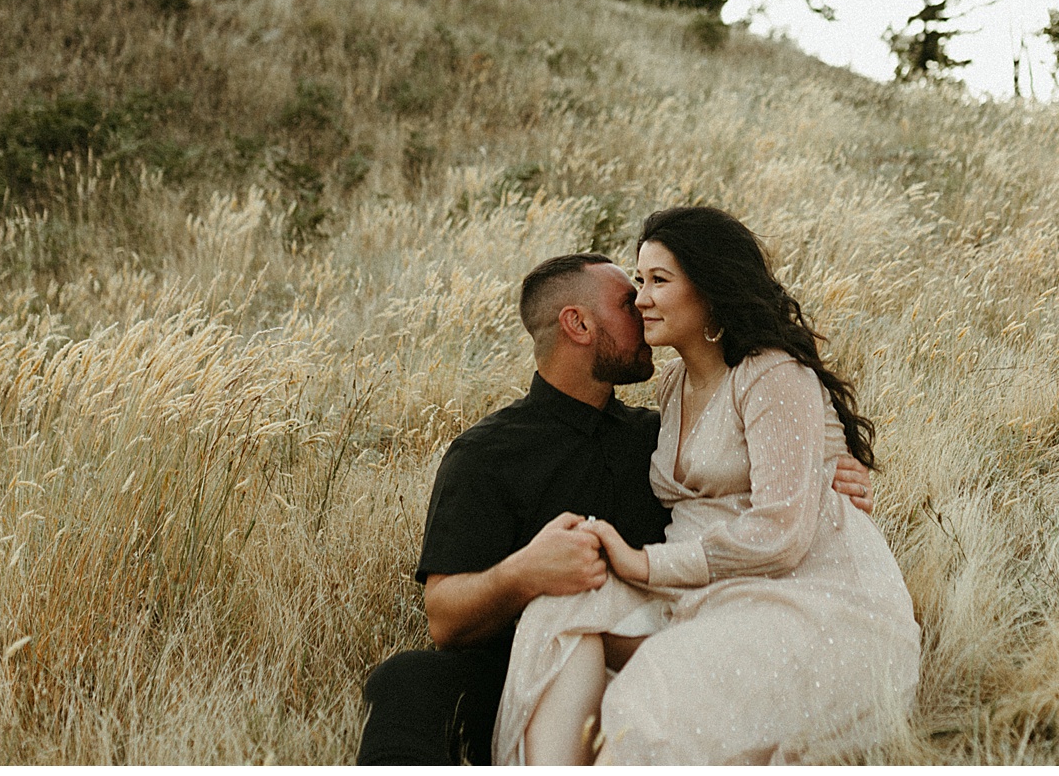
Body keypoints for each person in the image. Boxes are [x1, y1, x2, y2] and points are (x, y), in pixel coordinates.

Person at [354, 251, 874, 765]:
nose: (646, 309)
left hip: (660, 646)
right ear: (577, 324)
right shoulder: (488, 454)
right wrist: (526, 572)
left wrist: (831, 475)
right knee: (404, 681)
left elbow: (755, 485)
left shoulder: (657, 439)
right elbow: (444, 619)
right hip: (523, 665)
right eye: (629, 303)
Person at [492, 206, 923, 765]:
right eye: (638, 281)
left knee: (651, 689)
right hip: (706, 593)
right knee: (557, 616)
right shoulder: (672, 387)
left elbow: (781, 534)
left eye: (658, 282)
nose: (641, 298)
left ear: (711, 288)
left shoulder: (771, 374)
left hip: (808, 598)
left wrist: (643, 564)